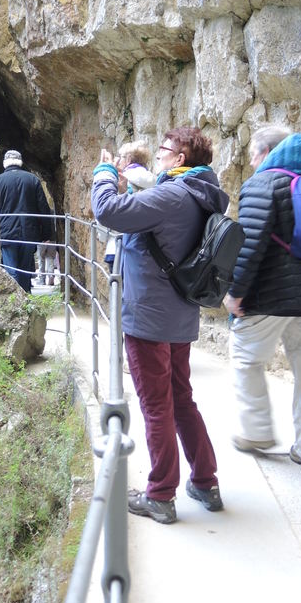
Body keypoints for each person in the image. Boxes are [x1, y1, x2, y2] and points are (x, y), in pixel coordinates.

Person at [92, 126, 227, 524]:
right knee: (181, 399)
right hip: (179, 314)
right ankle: (205, 481)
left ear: (180, 158)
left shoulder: (172, 195)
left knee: (156, 406)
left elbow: (109, 211)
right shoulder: (200, 194)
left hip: (150, 317)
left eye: (164, 149)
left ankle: (161, 495)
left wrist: (104, 173)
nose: (159, 154)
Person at [224, 126, 301, 474]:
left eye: (253, 155)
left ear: (267, 152)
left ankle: (255, 431)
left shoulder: (260, 185)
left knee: (245, 358)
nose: (251, 162)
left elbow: (249, 246)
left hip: (271, 297)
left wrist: (236, 293)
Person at [0, 150, 56, 293]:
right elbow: (43, 208)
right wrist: (46, 235)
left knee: (11, 270)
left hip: (6, 233)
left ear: (5, 163)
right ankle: (25, 297)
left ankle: (15, 300)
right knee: (25, 270)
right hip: (29, 232)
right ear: (20, 162)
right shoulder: (32, 180)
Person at [102, 140, 156, 271]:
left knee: (118, 281)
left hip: (118, 244)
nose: (118, 160)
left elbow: (108, 209)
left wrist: (102, 236)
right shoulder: (155, 181)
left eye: (121, 157)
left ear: (129, 159)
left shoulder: (121, 179)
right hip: (147, 246)